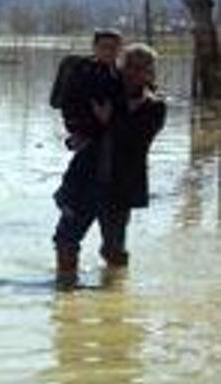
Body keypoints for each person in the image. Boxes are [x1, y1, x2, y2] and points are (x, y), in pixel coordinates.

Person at [52, 43, 166, 283]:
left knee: (113, 249)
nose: (135, 73)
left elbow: (136, 140)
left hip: (120, 188)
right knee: (65, 239)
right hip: (84, 181)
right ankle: (65, 289)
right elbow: (73, 108)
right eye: (130, 66)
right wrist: (76, 136)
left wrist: (108, 119)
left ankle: (115, 291)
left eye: (142, 68)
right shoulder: (103, 91)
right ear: (121, 67)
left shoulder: (154, 106)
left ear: (150, 73)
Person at [50, 29, 124, 151]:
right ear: (94, 48)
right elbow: (68, 103)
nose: (108, 52)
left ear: (120, 49)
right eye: (104, 47)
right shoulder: (81, 70)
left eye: (113, 48)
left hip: (113, 134)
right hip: (84, 129)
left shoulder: (122, 73)